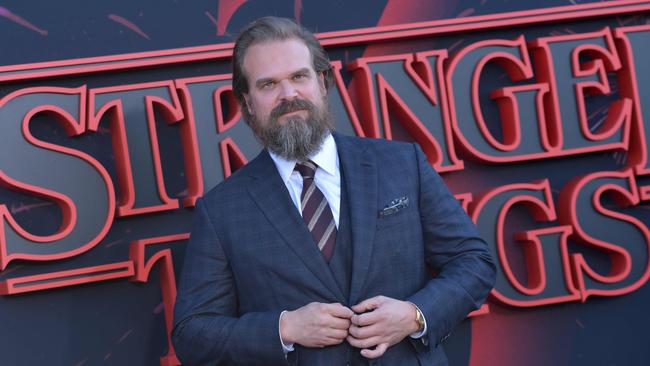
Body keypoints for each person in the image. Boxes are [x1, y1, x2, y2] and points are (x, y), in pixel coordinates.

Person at [172, 16, 496, 366]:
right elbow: (193, 335)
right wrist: (284, 328)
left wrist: (414, 315)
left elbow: (473, 263)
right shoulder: (221, 211)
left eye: (299, 76)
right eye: (268, 85)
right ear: (248, 102)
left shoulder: (402, 164)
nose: (289, 95)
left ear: (322, 82)